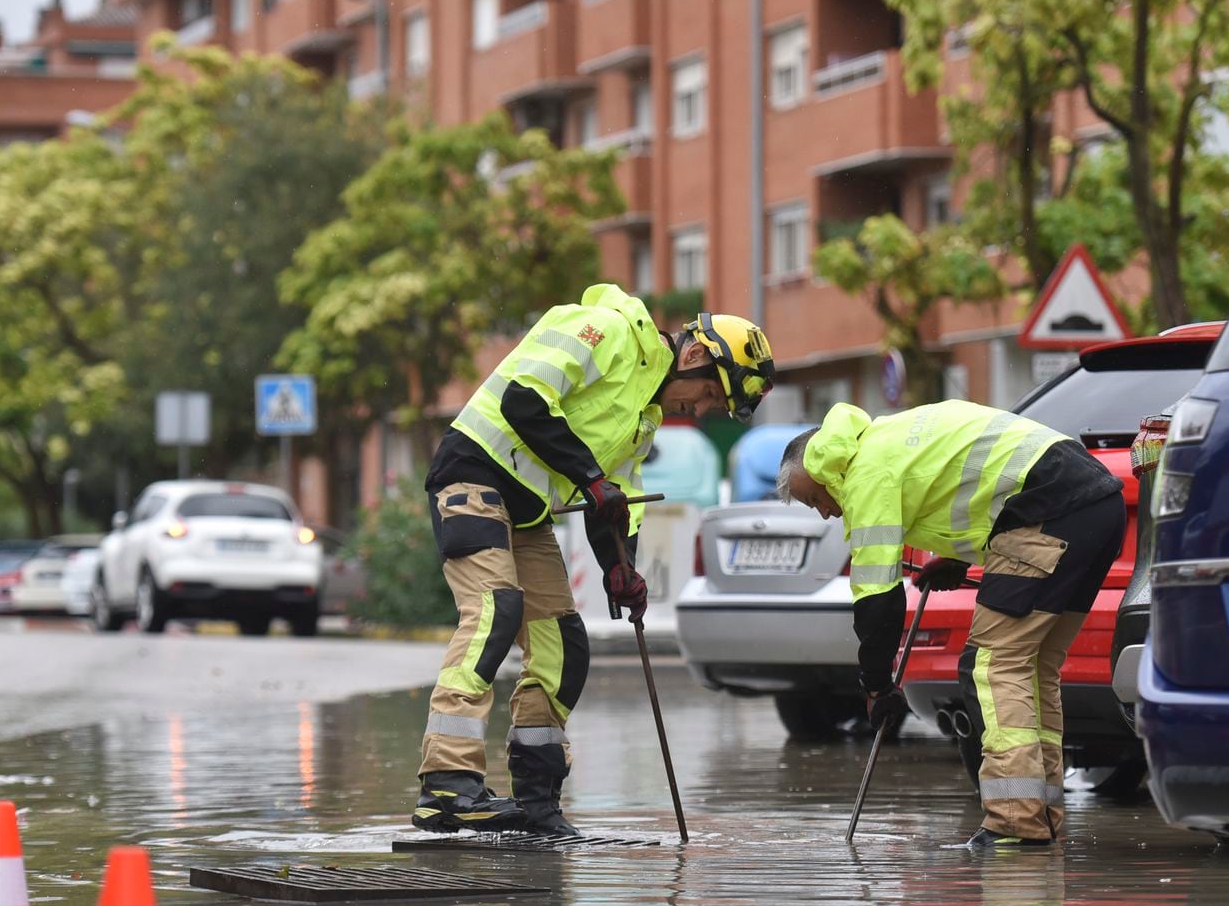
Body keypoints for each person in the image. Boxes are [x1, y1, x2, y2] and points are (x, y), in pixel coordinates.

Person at [414, 284, 776, 836]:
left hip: (526, 512)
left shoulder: (645, 417)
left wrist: (621, 567)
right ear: (697, 355)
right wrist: (590, 477)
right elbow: (524, 401)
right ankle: (447, 786)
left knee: (564, 646)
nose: (703, 411)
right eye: (710, 396)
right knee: (495, 611)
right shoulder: (605, 330)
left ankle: (536, 802)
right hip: (472, 474)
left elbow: (616, 498)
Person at [776, 400, 1125, 849]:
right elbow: (970, 484)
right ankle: (1042, 816)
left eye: (815, 499)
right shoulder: (888, 438)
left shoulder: (865, 475)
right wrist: (955, 558)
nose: (825, 512)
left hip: (1050, 511)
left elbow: (877, 598)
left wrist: (877, 685)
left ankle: (1016, 824)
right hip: (1098, 507)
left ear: (825, 472)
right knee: (1032, 669)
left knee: (992, 665)